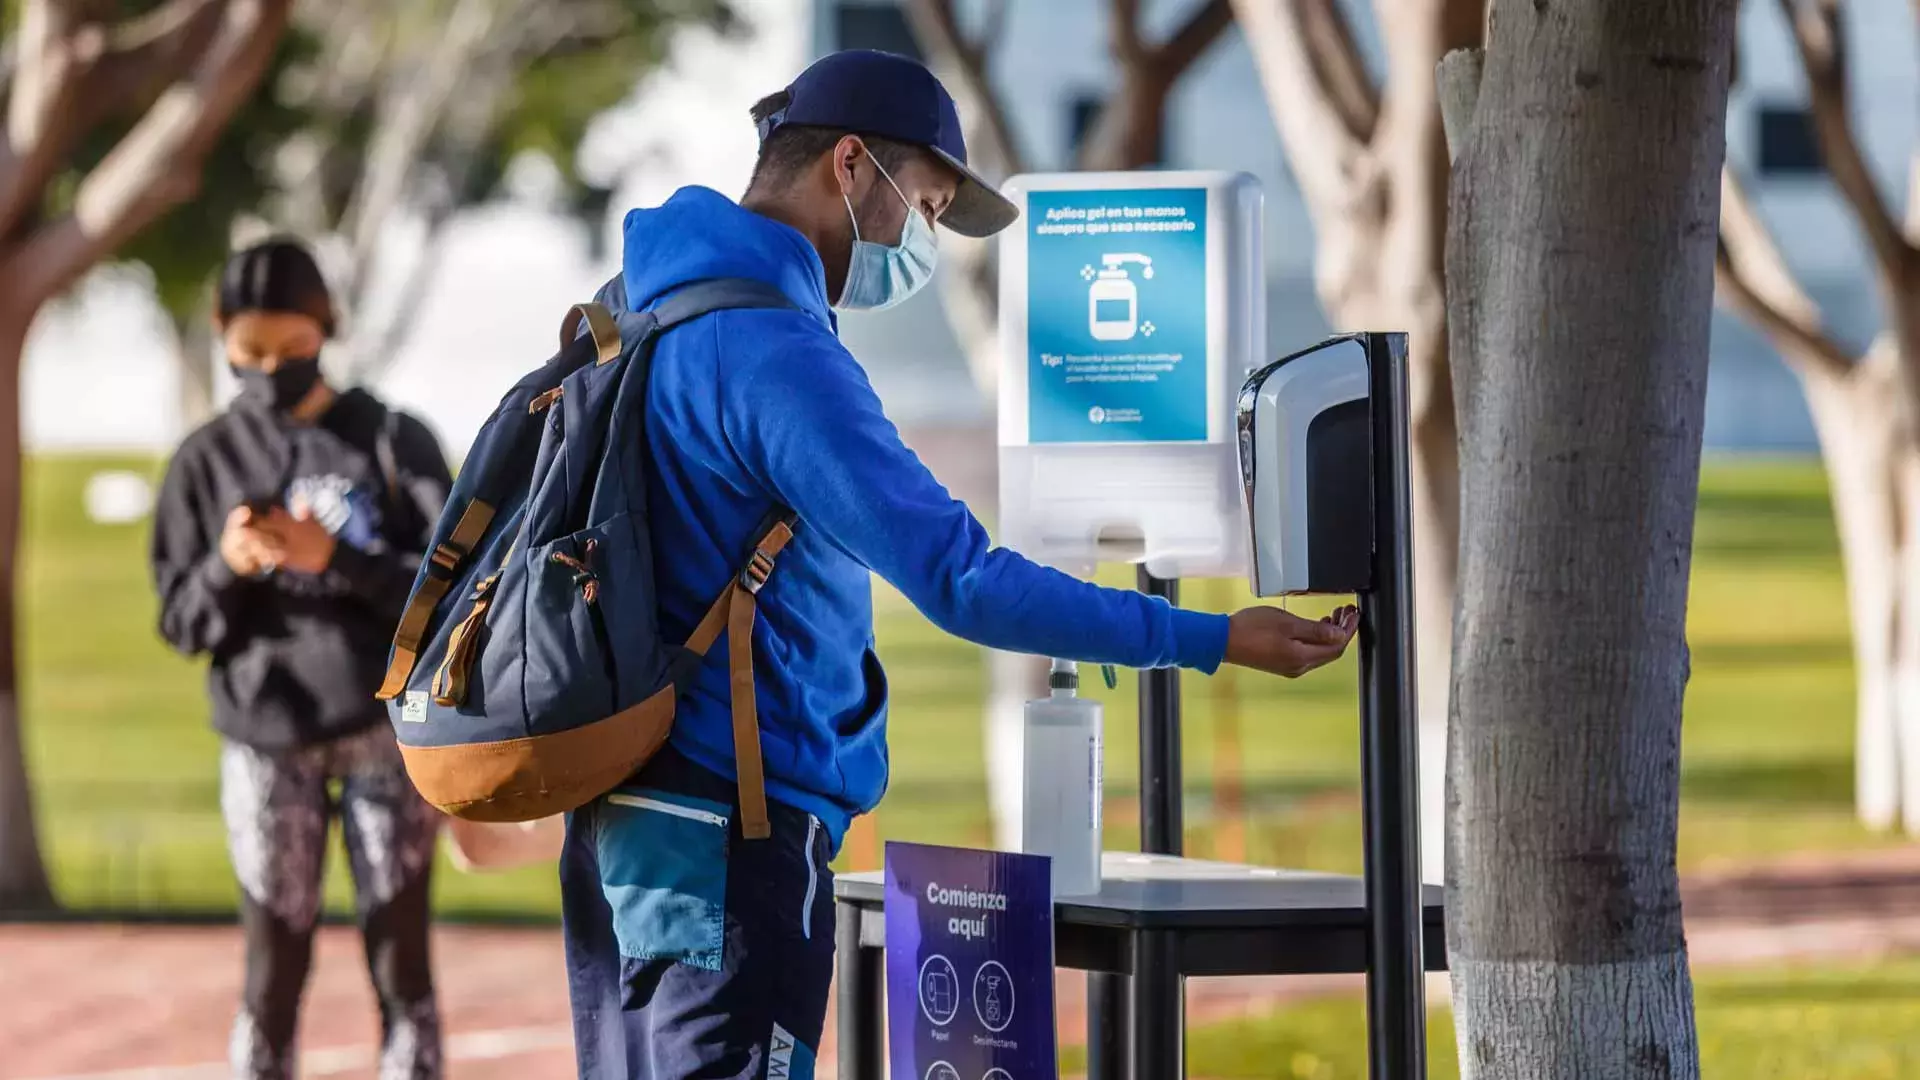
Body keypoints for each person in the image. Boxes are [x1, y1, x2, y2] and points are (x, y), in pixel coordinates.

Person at [560, 50, 1360, 1079]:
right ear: (850, 165)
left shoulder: (638, 295)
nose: (920, 242)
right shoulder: (774, 352)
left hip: (621, 816)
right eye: (925, 205)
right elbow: (963, 577)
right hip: (736, 834)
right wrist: (1207, 638)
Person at [150, 238, 452, 1080]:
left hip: (381, 736)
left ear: (326, 329)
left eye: (292, 349)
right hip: (264, 737)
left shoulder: (392, 440)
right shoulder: (204, 461)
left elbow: (453, 593)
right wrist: (229, 565)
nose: (270, 369)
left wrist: (340, 560)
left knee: (402, 968)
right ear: (220, 335)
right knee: (271, 976)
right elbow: (180, 623)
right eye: (248, 353)